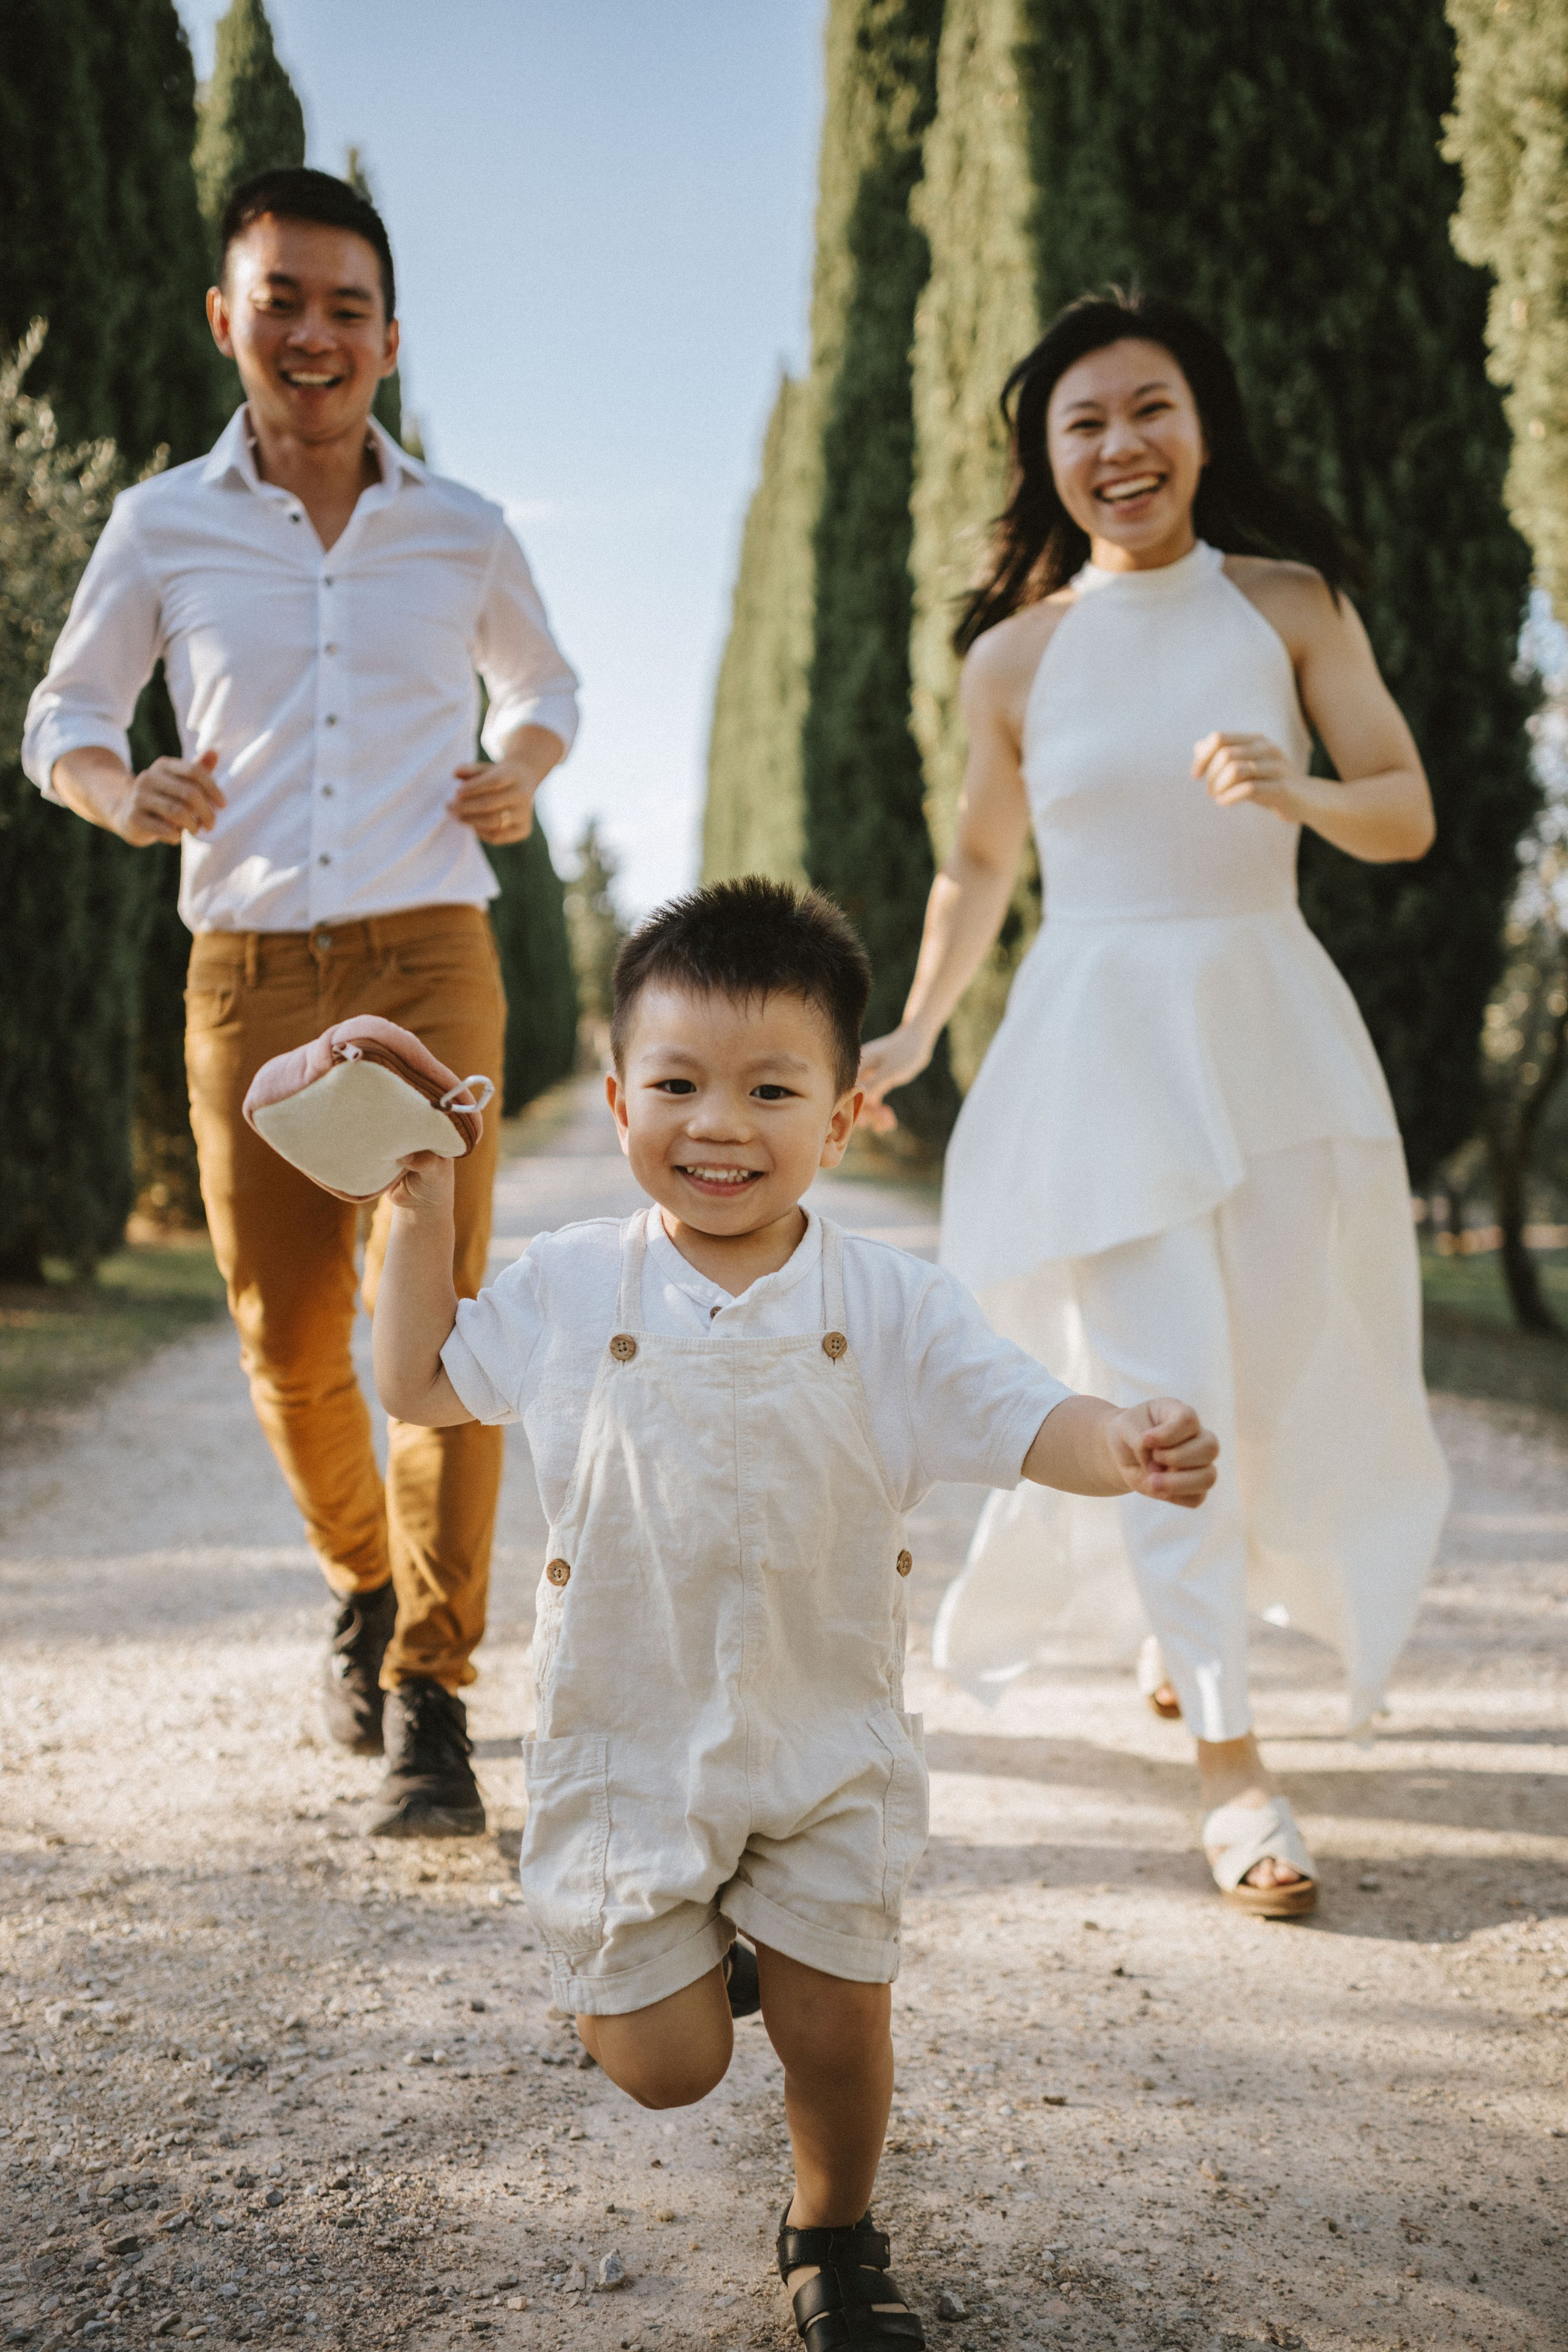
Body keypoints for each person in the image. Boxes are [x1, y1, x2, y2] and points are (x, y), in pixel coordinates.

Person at [370, 878, 1218, 2350]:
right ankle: (705, 1950)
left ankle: (832, 2231)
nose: (719, 1124)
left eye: (771, 1089)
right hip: (628, 1745)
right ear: (618, 1084)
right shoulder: (573, 1283)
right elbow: (419, 1383)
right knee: (662, 2065)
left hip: (822, 1738)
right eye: (680, 1084)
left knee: (839, 2022)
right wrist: (419, 1204)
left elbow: (1028, 1418)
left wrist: (1122, 1443)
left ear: (838, 1118)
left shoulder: (889, 1305)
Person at [858, 290, 1452, 1920]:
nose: (1121, 446)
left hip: (1268, 1027)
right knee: (1167, 1396)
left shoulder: (1289, 604)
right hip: (1096, 1043)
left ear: (1203, 425)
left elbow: (1403, 810)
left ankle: (1184, 1641)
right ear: (1048, 463)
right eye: (1084, 424)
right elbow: (980, 862)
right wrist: (913, 1029)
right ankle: (1232, 1769)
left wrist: (1299, 791)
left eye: (1150, 409)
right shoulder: (1013, 658)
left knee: (1261, 1376)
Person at [22, 167, 579, 1837]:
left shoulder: (462, 527)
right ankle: (360, 1572)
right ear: (226, 319)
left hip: (429, 950)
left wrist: (523, 770)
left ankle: (431, 1681)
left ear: (389, 340)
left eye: (348, 307)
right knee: (284, 1330)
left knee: (447, 1321)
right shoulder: (157, 527)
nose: (314, 333)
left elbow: (544, 682)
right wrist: (115, 792)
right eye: (283, 300)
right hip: (249, 968)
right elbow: (65, 709)